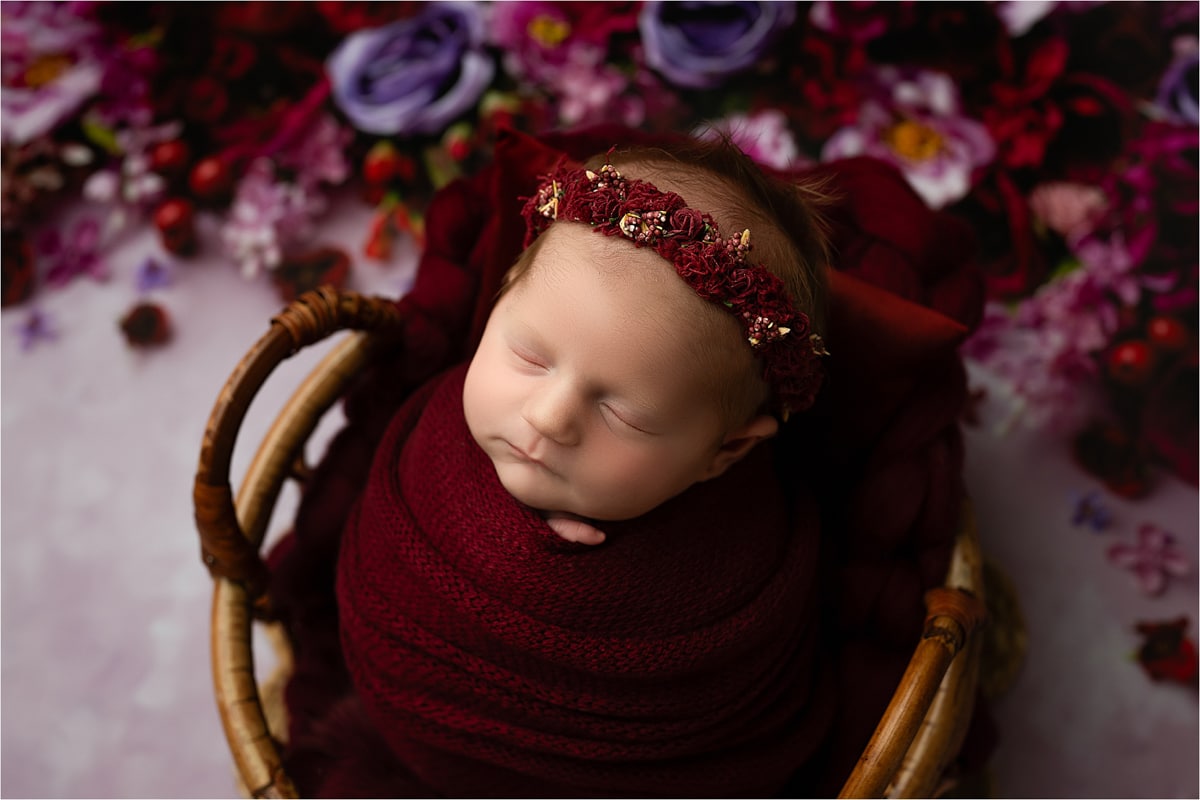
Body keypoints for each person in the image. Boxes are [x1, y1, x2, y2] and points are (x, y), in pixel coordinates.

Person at [269, 128, 984, 798]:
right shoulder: (431, 413)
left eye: (625, 415)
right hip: (403, 716)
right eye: (528, 355)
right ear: (497, 304)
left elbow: (743, 715)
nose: (548, 418)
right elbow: (376, 553)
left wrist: (594, 574)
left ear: (723, 453)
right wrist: (492, 523)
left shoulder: (744, 557)